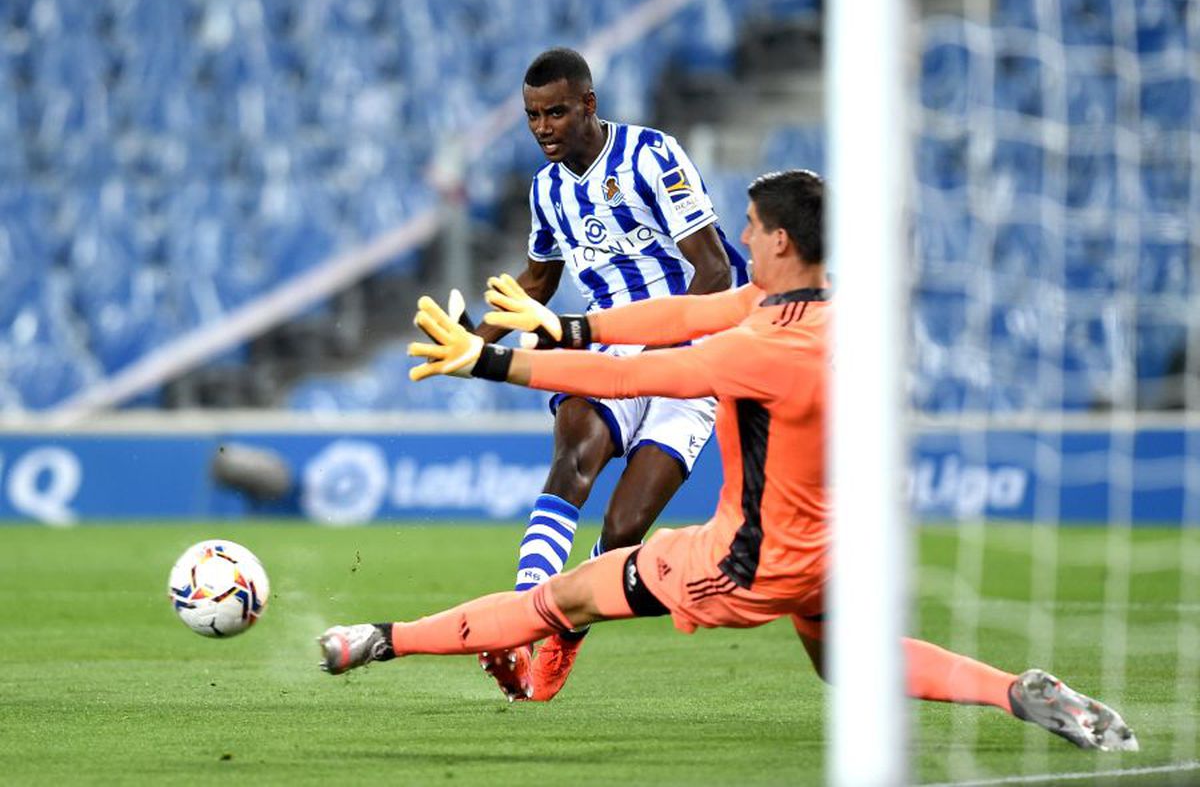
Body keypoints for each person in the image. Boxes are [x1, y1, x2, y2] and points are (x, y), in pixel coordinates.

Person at [319, 170, 1138, 753]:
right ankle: (1013, 690)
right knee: (846, 660)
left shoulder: (760, 348)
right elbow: (684, 309)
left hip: (745, 565)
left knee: (562, 594)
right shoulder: (825, 308)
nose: (736, 235)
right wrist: (562, 325)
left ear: (778, 239)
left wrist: (486, 361)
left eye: (747, 224)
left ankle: (377, 639)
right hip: (833, 548)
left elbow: (632, 374)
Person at [465, 47, 748, 700]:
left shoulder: (652, 156)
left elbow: (713, 270)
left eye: (556, 112)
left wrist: (659, 359)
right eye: (533, 116)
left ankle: (565, 629)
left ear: (588, 104)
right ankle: (517, 622)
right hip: (605, 345)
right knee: (574, 456)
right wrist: (471, 343)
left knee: (624, 529)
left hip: (689, 357)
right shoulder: (547, 191)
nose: (543, 128)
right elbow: (538, 280)